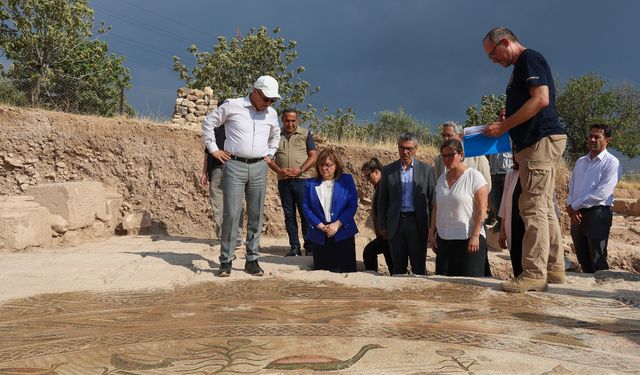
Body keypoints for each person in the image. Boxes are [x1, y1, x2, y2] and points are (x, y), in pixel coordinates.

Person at [483, 27, 567, 292]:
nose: (493, 60)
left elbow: (541, 99)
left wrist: (505, 125)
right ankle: (554, 269)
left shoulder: (529, 59)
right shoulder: (522, 66)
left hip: (539, 142)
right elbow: (533, 102)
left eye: (493, 54)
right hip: (536, 144)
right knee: (542, 206)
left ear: (505, 42)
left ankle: (533, 273)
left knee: (531, 207)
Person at [202, 75, 281, 277]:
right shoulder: (233, 105)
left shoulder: (271, 113)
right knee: (232, 214)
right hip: (234, 165)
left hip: (259, 167)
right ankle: (226, 260)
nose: (268, 103)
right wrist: (213, 150)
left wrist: (270, 153)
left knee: (256, 215)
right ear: (255, 91)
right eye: (266, 98)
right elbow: (208, 123)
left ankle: (252, 259)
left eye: (272, 100)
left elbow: (276, 135)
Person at [434, 121, 492, 276]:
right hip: (445, 237)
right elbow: (437, 204)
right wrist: (432, 233)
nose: (447, 159)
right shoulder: (440, 175)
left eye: (451, 155)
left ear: (461, 155)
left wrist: (475, 235)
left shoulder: (476, 165)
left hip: (469, 233)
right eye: (444, 156)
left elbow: (483, 203)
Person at [378, 132, 435, 275]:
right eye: (401, 147)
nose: (405, 152)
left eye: (409, 148)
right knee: (398, 266)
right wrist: (382, 225)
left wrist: (432, 227)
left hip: (417, 223)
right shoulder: (388, 170)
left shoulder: (426, 170)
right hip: (396, 224)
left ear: (416, 149)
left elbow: (432, 200)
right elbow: (382, 200)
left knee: (419, 266)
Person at [566, 124, 622, 273]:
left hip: (598, 214)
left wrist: (575, 206)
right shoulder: (580, 161)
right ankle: (586, 293)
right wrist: (571, 207)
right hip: (576, 215)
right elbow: (572, 186)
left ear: (607, 140)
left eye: (597, 137)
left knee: (598, 259)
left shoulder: (612, 163)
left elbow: (602, 193)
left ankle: (602, 293)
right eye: (590, 136)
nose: (592, 139)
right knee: (583, 258)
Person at [266, 108, 317, 257]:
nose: (290, 123)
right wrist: (278, 171)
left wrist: (300, 170)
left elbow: (313, 156)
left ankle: (309, 246)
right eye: (287, 120)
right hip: (284, 181)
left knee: (305, 213)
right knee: (289, 215)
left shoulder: (306, 134)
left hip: (303, 180)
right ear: (282, 120)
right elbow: (268, 157)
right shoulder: (276, 135)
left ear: (297, 120)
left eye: (293, 121)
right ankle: (294, 246)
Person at [303, 148, 358, 273]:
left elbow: (352, 205)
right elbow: (306, 208)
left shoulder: (346, 180)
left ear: (336, 165)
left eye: (328, 165)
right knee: (322, 274)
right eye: (321, 165)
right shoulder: (310, 184)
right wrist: (320, 225)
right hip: (320, 235)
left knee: (345, 271)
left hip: (343, 234)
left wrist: (337, 224)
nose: (324, 168)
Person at [199, 124, 243, 244]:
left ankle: (237, 236)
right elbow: (207, 152)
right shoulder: (213, 131)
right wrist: (204, 172)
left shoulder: (237, 127)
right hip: (216, 170)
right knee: (217, 203)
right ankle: (224, 234)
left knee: (235, 203)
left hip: (234, 168)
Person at [361, 158, 393, 274]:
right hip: (384, 235)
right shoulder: (379, 187)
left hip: (389, 235)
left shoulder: (386, 186)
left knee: (369, 251)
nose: (368, 180)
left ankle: (372, 276)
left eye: (368, 176)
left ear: (377, 171)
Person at [498, 159, 525, 278]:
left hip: (530, 229)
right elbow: (504, 204)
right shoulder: (510, 174)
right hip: (513, 227)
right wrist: (502, 231)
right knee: (518, 269)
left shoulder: (537, 173)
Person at [487, 108, 513, 230]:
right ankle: (499, 222)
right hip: (494, 173)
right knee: (494, 201)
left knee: (508, 203)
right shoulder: (493, 133)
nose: (502, 117)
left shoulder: (513, 132)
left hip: (508, 173)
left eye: (505, 115)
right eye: (501, 115)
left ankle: (507, 226)